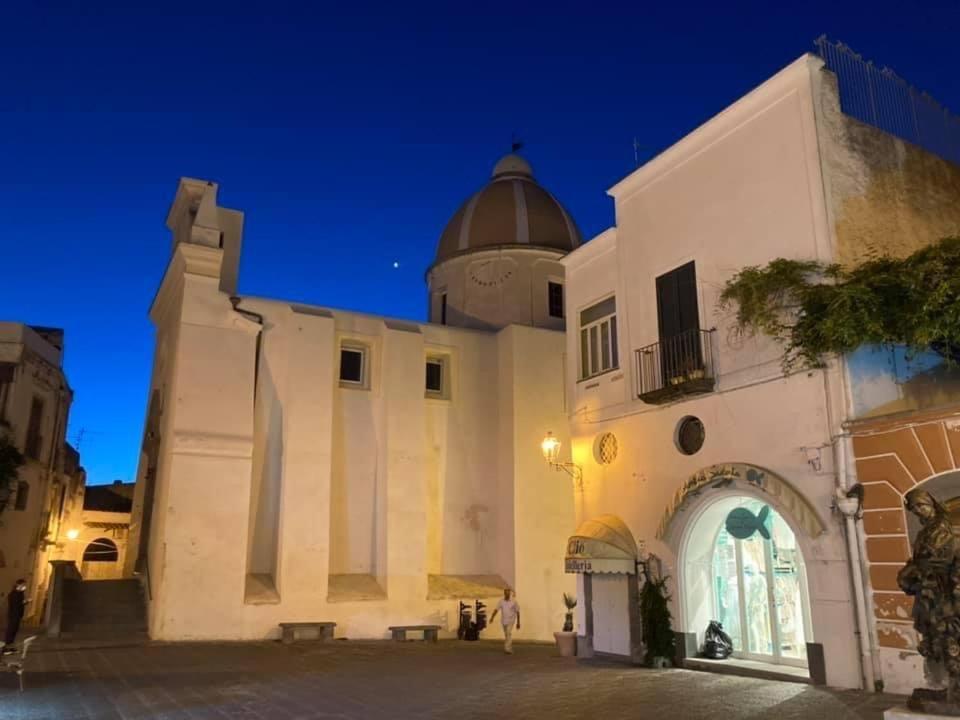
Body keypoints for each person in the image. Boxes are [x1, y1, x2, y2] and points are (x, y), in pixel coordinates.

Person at [489, 587, 520, 654]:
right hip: (504, 620)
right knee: (506, 634)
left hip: (511, 620)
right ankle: (509, 647)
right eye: (505, 592)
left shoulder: (514, 601)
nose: (506, 594)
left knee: (508, 633)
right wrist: (492, 617)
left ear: (510, 593)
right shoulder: (501, 601)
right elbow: (496, 609)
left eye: (508, 592)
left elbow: (517, 611)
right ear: (504, 593)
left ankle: (507, 649)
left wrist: (518, 622)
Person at [3, 578, 28, 654]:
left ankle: (10, 647)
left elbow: (20, 603)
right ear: (18, 585)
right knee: (10, 631)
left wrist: (24, 602)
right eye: (23, 585)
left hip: (18, 615)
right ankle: (5, 649)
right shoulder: (14, 594)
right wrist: (24, 602)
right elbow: (16, 604)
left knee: (14, 631)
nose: (24, 586)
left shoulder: (20, 593)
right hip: (14, 615)